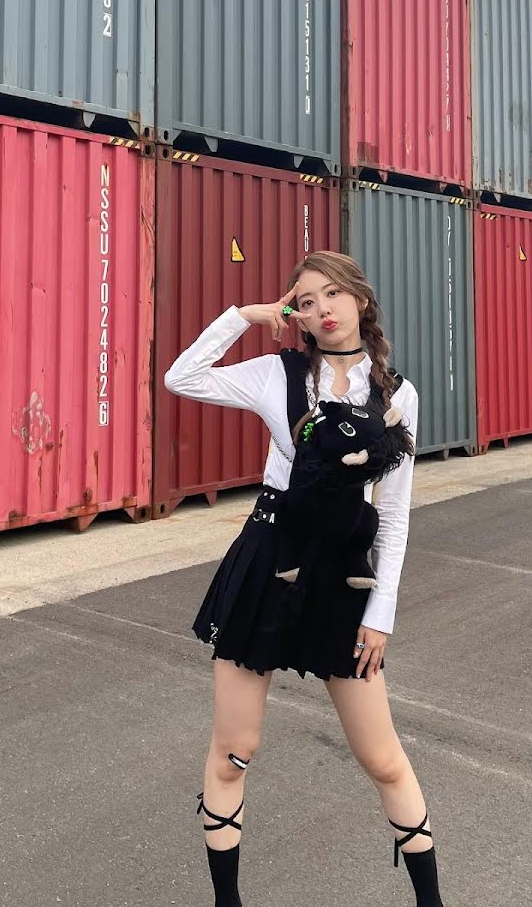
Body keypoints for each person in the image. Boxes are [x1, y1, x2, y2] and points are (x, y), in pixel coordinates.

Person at [164, 251, 446, 907]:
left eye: (333, 294)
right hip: (268, 559)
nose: (322, 309)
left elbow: (394, 513)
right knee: (235, 749)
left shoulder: (397, 394)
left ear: (360, 300)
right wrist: (244, 315)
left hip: (344, 576)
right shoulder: (277, 373)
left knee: (383, 758)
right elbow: (183, 377)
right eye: (307, 301)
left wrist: (382, 613)